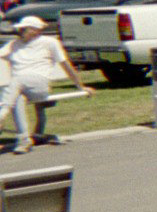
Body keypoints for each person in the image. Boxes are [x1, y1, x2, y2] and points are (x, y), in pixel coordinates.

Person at [0, 15, 94, 154]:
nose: (20, 32)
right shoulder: (13, 44)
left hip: (38, 85)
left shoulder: (49, 42)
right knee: (16, 97)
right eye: (21, 29)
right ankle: (24, 140)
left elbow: (65, 64)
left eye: (24, 29)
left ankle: (2, 115)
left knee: (16, 81)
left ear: (35, 30)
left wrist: (80, 85)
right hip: (18, 88)